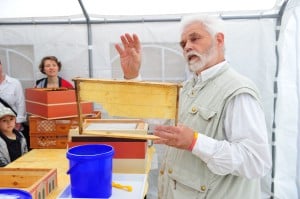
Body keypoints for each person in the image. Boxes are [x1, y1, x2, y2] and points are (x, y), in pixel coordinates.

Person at [115, 15, 272, 199]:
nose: (187, 46)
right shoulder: (188, 87)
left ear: (219, 40)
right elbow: (155, 118)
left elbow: (256, 161)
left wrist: (195, 142)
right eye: (183, 44)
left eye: (194, 38)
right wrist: (133, 77)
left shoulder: (238, 90)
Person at [0, 59, 29, 149]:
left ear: (1, 65)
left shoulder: (14, 83)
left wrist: (18, 122)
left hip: (13, 123)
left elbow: (21, 103)